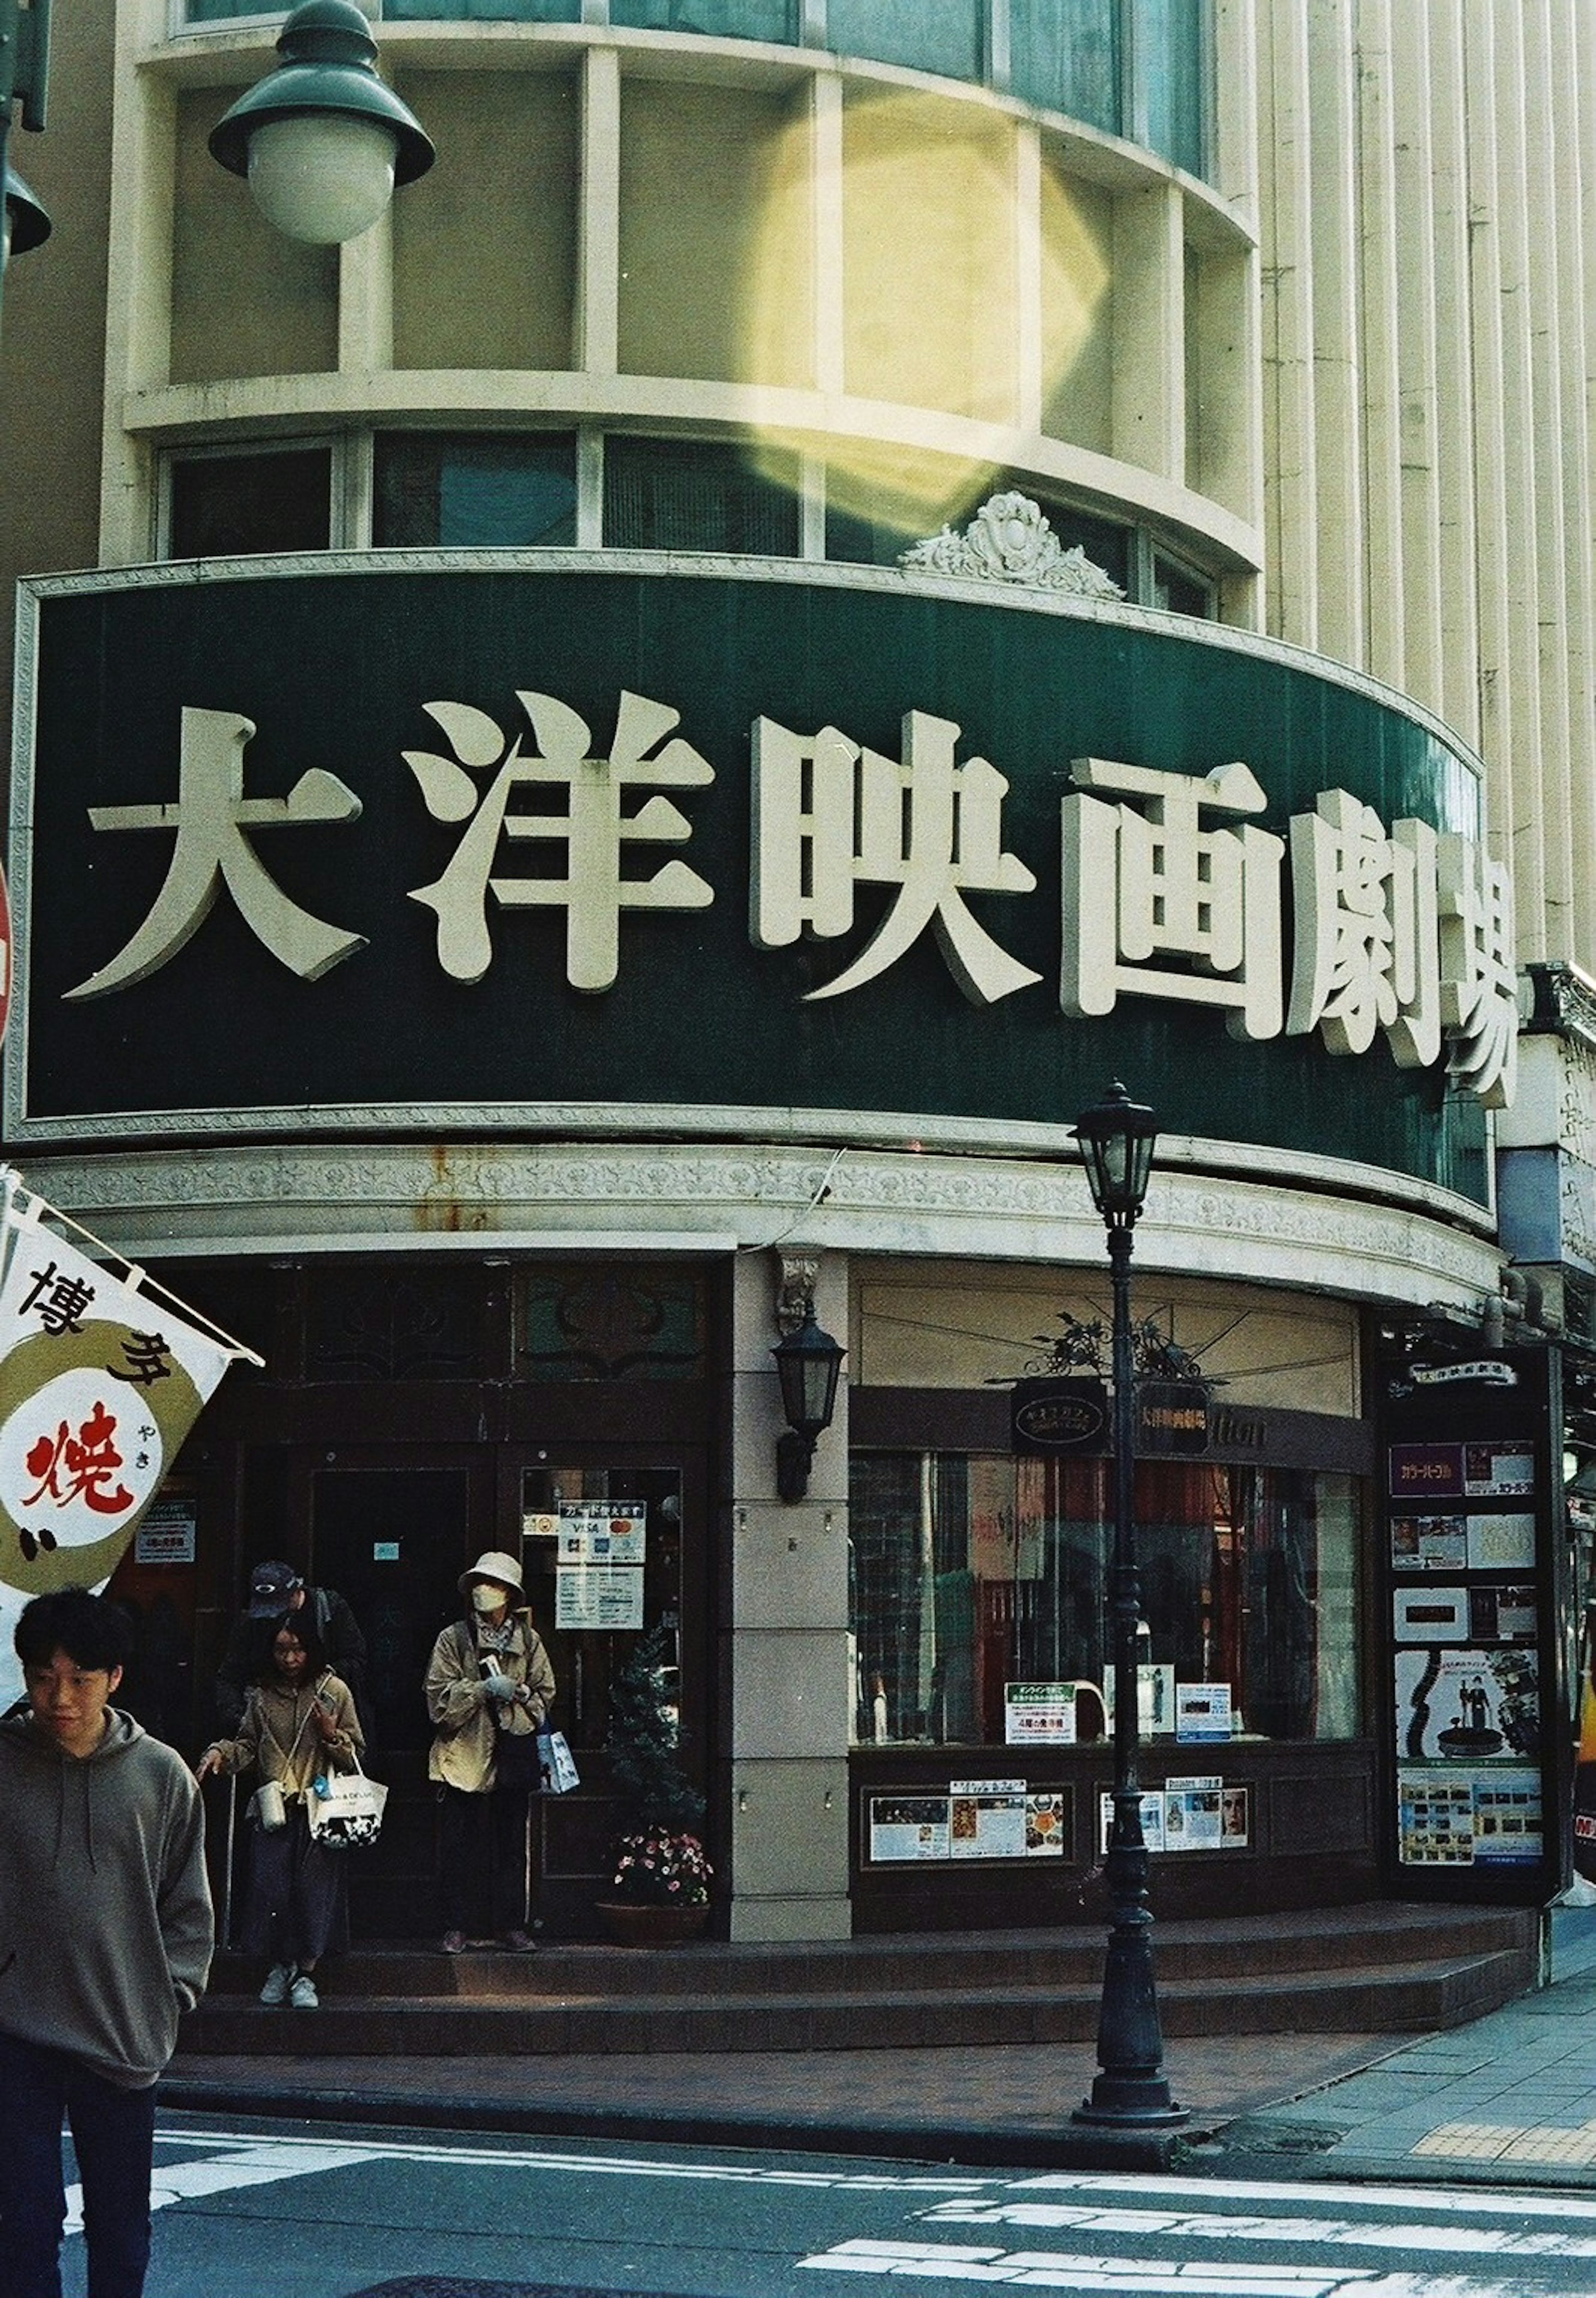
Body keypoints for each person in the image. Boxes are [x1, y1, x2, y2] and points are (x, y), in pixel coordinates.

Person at [0, 1586, 213, 2298]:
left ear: (114, 1676)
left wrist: (172, 1992)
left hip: (123, 2028)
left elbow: (189, 1903)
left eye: (80, 1679)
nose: (59, 1696)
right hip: (14, 2030)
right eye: (42, 1676)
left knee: (121, 2231)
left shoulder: (161, 1774)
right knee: (21, 2225)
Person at [196, 1616, 363, 2010]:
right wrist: (222, 1753)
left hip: (319, 1808)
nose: (290, 1658)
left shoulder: (333, 1690)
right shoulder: (261, 1696)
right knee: (272, 1888)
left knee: (313, 1893)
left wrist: (330, 1733)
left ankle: (306, 1972)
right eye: (282, 1650)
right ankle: (280, 1964)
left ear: (312, 1650)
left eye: (299, 1649)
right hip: (275, 1806)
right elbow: (248, 1745)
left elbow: (356, 1752)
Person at [424, 1549, 554, 1955]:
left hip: (511, 1754)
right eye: (481, 1583)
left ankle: (511, 1926)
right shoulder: (453, 1639)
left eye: (495, 1585)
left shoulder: (529, 1641)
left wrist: (522, 1697)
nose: (485, 1591)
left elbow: (546, 1694)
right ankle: (455, 1927)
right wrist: (482, 1690)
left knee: (511, 1847)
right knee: (458, 1847)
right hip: (463, 1755)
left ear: (511, 1596)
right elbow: (437, 1701)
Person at [214, 1559, 370, 1740]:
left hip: (321, 1719)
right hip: (269, 1727)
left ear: (297, 1592)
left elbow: (357, 1659)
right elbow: (230, 1676)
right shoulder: (252, 1622)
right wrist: (241, 1720)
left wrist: (322, 1678)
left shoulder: (330, 1610)